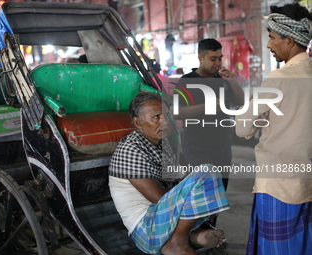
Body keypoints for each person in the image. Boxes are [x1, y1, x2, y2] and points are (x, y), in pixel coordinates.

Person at [109, 92, 230, 255]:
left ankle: (192, 235)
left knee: (208, 178)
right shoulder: (130, 150)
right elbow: (160, 200)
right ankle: (177, 242)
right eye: (156, 117)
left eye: (166, 115)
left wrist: (207, 204)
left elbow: (187, 177)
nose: (165, 122)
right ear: (138, 122)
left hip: (164, 221)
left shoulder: (165, 145)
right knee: (206, 173)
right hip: (147, 231)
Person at [235, 3, 312, 255]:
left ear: (289, 40)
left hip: (278, 186)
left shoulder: (279, 79)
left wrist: (263, 120)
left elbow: (242, 128)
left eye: (272, 38)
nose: (269, 45)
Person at [175, 38, 244, 191]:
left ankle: (214, 217)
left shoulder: (223, 80)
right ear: (200, 58)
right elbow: (176, 112)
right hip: (197, 146)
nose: (218, 63)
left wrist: (232, 81)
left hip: (222, 145)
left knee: (219, 192)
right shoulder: (187, 81)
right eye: (213, 59)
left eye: (220, 58)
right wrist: (206, 107)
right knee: (202, 192)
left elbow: (241, 101)